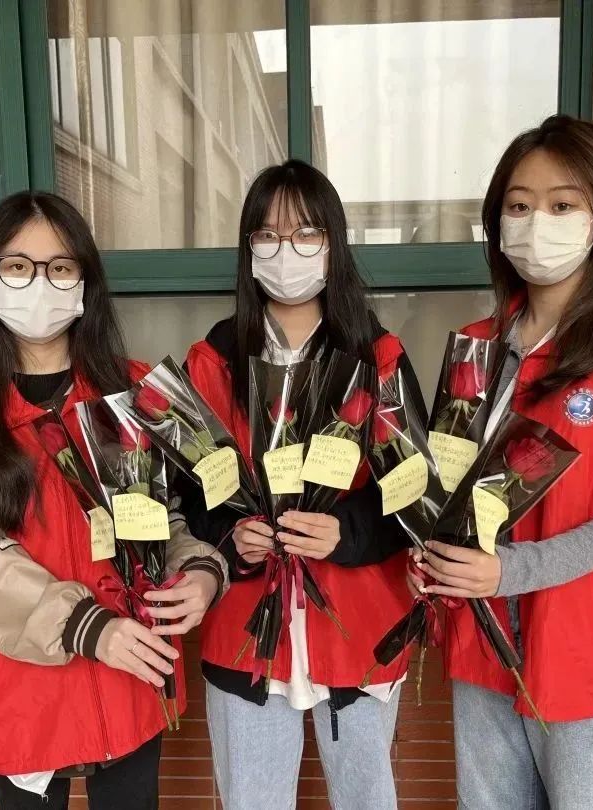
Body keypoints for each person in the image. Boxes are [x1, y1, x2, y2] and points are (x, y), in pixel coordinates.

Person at [0, 191, 227, 810]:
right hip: (19, 698)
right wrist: (88, 627)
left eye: (60, 267)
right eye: (18, 266)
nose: (40, 284)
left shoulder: (142, 393)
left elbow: (182, 513)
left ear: (85, 282)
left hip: (133, 680)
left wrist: (202, 571)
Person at [415, 115, 593, 810]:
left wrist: (512, 571)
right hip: (484, 647)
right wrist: (434, 554)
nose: (537, 222)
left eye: (562, 204)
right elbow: (452, 482)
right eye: (519, 205)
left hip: (590, 656)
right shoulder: (477, 349)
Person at [182, 160, 423, 809]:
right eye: (267, 235)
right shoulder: (214, 362)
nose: (285, 251)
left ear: (333, 244)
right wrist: (232, 536)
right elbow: (191, 495)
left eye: (305, 234)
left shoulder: (378, 358)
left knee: (367, 799)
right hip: (245, 631)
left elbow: (413, 494)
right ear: (248, 249)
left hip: (358, 624)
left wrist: (345, 532)